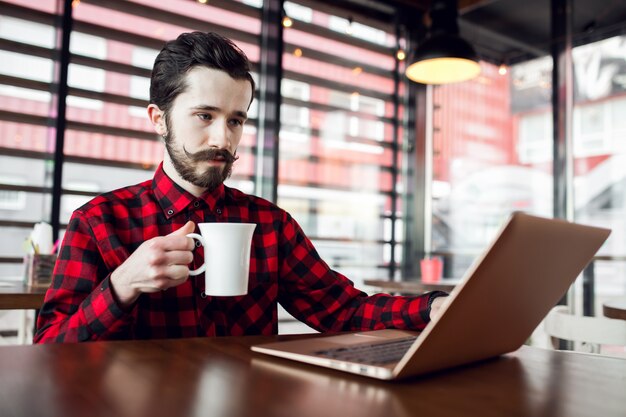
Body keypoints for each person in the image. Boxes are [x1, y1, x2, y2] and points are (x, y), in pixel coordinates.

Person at [34, 32, 447, 343]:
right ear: (158, 119)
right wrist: (123, 285)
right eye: (204, 116)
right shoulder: (98, 222)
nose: (222, 139)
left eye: (235, 120)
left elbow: (343, 310)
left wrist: (433, 308)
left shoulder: (270, 224)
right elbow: (50, 348)